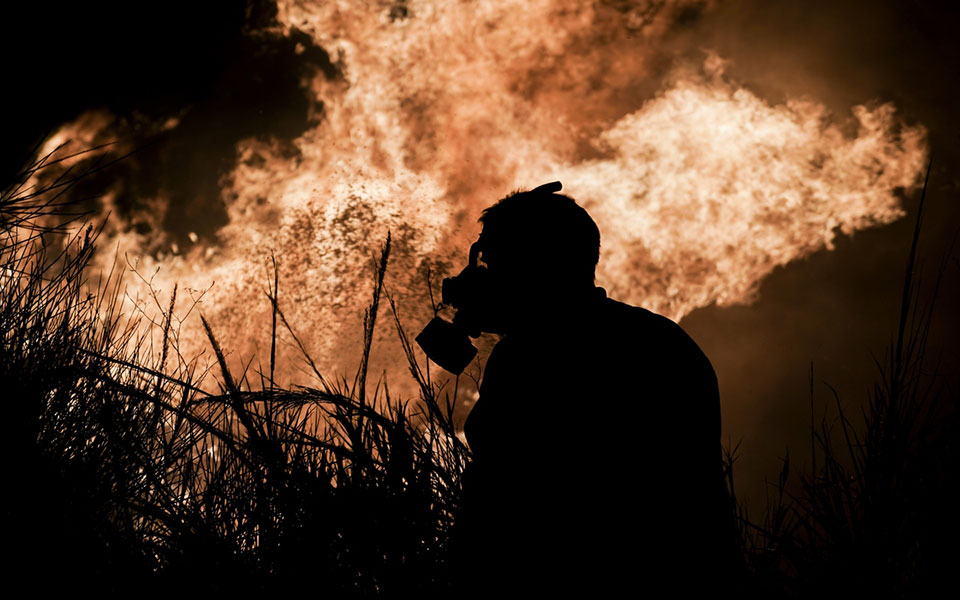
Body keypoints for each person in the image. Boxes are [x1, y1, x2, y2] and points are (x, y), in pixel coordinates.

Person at [448, 182, 729, 596]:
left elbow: (500, 506)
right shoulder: (663, 340)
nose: (479, 280)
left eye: (493, 265)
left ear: (532, 267)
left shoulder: (530, 355)